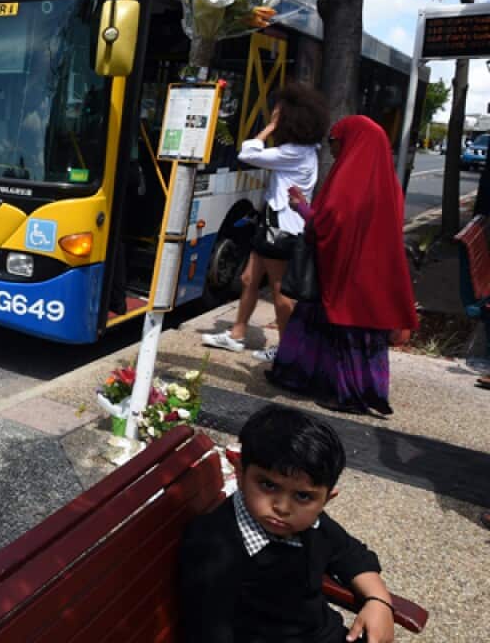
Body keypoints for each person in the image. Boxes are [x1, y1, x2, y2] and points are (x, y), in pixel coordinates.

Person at [178, 405, 397, 643]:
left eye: (303, 496)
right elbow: (208, 631)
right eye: (268, 485)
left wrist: (378, 601)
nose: (282, 507)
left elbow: (351, 555)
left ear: (326, 499)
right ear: (240, 474)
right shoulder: (214, 547)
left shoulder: (313, 525)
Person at [268, 115, 418, 416]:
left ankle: (351, 395)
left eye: (334, 141)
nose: (332, 149)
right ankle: (326, 383)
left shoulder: (349, 180)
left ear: (351, 141)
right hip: (369, 277)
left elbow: (328, 223)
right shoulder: (388, 183)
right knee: (338, 328)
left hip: (346, 276)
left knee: (339, 330)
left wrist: (301, 207)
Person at [204, 84, 329, 363]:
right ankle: (237, 334)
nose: (274, 117)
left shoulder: (295, 152)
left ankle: (288, 349)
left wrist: (268, 128)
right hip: (271, 225)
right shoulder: (300, 150)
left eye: (278, 115)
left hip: (281, 230)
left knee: (279, 291)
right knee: (249, 279)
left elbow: (247, 154)